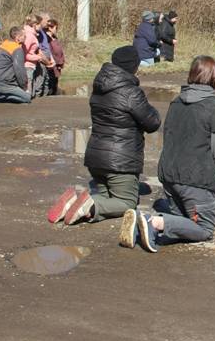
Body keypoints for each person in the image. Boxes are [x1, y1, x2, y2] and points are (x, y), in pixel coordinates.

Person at [119, 55, 215, 253]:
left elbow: (170, 139)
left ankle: (149, 227)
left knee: (183, 222)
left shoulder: (176, 102)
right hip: (196, 180)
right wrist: (214, 178)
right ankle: (152, 222)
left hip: (169, 176)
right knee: (204, 229)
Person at [47, 46, 161, 225]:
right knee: (127, 203)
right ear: (134, 66)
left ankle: (76, 204)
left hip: (96, 158)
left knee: (107, 199)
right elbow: (152, 123)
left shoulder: (99, 86)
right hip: (120, 161)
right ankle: (87, 205)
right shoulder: (131, 92)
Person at [0, 26, 31, 104]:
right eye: (24, 36)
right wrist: (24, 87)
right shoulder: (17, 49)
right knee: (27, 98)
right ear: (18, 37)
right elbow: (19, 70)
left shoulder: (5, 44)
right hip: (2, 82)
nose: (26, 37)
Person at [22, 14, 45, 96]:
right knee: (28, 94)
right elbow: (24, 54)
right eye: (40, 24)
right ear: (35, 24)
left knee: (30, 93)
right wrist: (37, 57)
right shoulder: (29, 36)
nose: (41, 27)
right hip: (27, 66)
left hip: (30, 65)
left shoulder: (32, 34)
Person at [45, 18, 65, 94]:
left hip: (57, 66)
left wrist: (61, 62)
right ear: (50, 28)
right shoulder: (46, 39)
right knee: (50, 87)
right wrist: (57, 62)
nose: (56, 30)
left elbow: (60, 51)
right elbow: (50, 52)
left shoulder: (54, 37)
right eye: (56, 28)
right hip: (51, 66)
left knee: (55, 86)